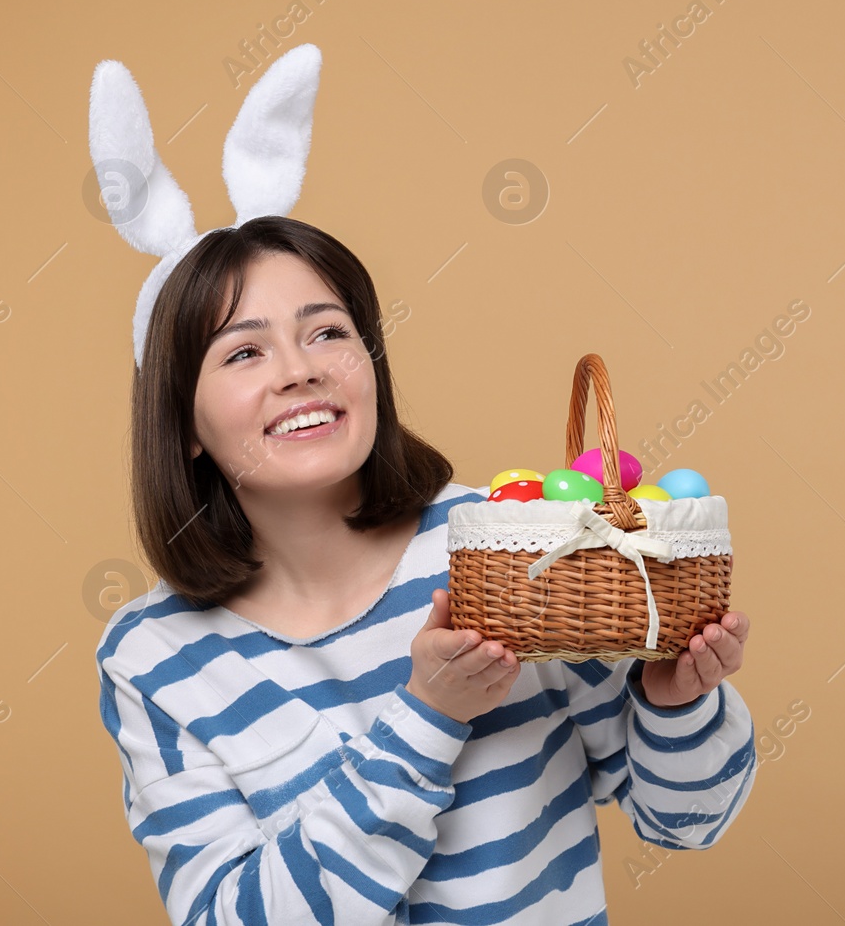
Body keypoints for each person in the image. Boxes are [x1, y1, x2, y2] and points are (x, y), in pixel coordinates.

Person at [94, 214, 758, 925]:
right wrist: (428, 717)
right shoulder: (152, 656)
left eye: (327, 332)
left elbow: (688, 821)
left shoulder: (513, 551)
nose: (300, 369)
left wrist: (676, 703)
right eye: (244, 351)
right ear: (185, 424)